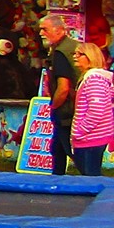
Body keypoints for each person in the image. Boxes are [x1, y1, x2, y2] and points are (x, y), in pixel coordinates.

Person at [70, 41, 114, 177]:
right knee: (89, 174)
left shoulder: (94, 79)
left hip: (91, 138)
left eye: (80, 54)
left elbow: (96, 110)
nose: (75, 57)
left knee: (90, 176)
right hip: (91, 137)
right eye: (75, 53)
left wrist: (80, 131)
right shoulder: (93, 78)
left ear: (90, 57)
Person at [40, 18, 78, 176]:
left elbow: (63, 88)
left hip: (66, 110)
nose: (41, 33)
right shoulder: (74, 46)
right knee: (58, 148)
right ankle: (57, 178)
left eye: (45, 29)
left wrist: (54, 106)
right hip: (75, 107)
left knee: (69, 150)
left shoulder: (61, 52)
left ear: (59, 30)